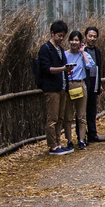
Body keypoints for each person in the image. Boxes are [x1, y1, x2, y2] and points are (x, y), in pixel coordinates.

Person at [59, 31, 96, 149]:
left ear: (80, 42)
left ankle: (81, 139)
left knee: (81, 115)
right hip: (69, 86)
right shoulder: (64, 54)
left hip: (81, 84)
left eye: (77, 40)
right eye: (72, 40)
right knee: (68, 116)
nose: (74, 43)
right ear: (69, 41)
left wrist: (83, 53)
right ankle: (69, 140)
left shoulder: (82, 54)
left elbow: (90, 65)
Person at [38, 21, 71, 154]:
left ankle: (58, 142)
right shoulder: (45, 49)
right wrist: (63, 69)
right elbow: (47, 68)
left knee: (60, 118)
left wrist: (68, 70)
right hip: (51, 88)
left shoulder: (60, 50)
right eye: (59, 35)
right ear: (52, 33)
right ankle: (52, 145)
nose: (61, 38)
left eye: (63, 36)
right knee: (52, 118)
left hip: (62, 86)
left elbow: (63, 66)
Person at [82, 27, 105, 144]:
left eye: (94, 36)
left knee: (92, 109)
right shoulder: (82, 50)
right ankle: (81, 137)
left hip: (94, 82)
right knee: (82, 110)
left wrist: (99, 83)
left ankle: (93, 134)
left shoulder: (97, 51)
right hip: (84, 82)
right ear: (86, 36)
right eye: (90, 36)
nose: (92, 39)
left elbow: (98, 67)